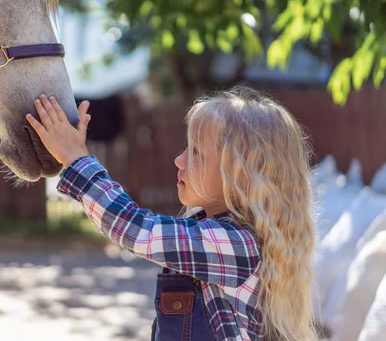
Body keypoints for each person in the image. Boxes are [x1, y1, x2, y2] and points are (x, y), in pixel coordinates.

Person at [26, 86, 318, 341]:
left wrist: (76, 159)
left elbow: (135, 229)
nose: (179, 160)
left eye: (195, 153)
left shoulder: (237, 245)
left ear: (240, 175)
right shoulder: (217, 236)